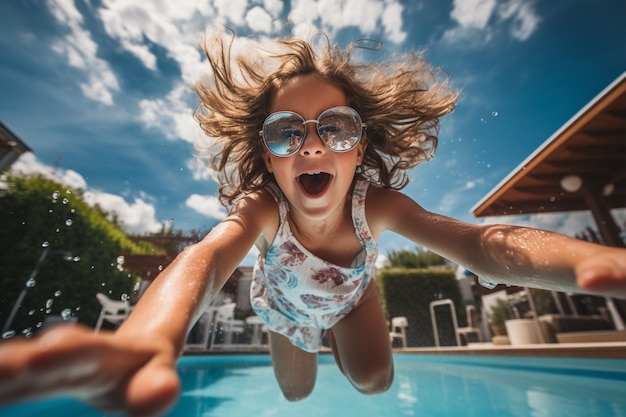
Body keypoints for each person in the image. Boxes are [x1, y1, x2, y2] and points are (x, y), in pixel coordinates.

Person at [1, 28, 625, 417]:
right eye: (286, 132)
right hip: (286, 309)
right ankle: (302, 335)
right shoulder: (264, 206)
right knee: (297, 396)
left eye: (336, 127)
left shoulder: (375, 206)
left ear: (360, 148)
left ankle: (354, 308)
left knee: (377, 382)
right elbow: (209, 258)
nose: (311, 144)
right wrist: (149, 338)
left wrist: (587, 261)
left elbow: (475, 242)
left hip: (351, 299)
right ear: (268, 156)